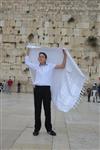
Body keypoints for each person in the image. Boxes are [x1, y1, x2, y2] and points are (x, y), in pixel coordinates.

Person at [25, 48, 67, 136]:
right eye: (39, 57)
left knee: (47, 110)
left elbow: (62, 66)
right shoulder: (36, 66)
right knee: (37, 110)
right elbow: (27, 62)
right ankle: (36, 129)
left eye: (42, 56)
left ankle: (49, 129)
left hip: (46, 90)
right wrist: (28, 50)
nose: (40, 58)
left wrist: (65, 55)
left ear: (45, 58)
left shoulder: (50, 65)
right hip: (37, 89)